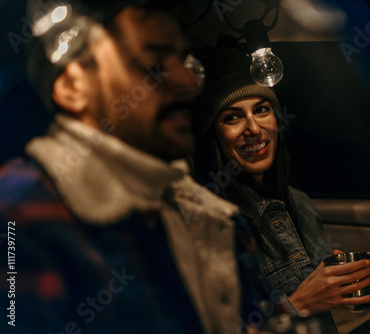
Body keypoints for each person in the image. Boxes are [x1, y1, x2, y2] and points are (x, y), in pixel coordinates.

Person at [0, 2, 279, 333]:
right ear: (74, 88)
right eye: (154, 65)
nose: (189, 82)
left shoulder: (214, 218)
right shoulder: (20, 213)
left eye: (183, 61)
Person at [193, 47, 370, 334]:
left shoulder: (299, 202)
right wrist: (297, 304)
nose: (254, 129)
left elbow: (325, 296)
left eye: (261, 110)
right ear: (215, 136)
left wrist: (355, 276)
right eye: (233, 118)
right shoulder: (212, 222)